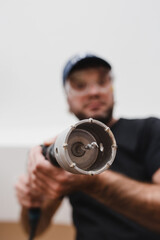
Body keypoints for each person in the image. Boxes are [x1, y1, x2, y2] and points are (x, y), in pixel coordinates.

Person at [15, 53, 160, 240]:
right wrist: (32, 201)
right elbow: (36, 228)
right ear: (68, 99)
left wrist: (94, 181)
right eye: (80, 86)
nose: (94, 92)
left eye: (102, 82)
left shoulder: (149, 130)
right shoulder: (62, 152)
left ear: (112, 90)